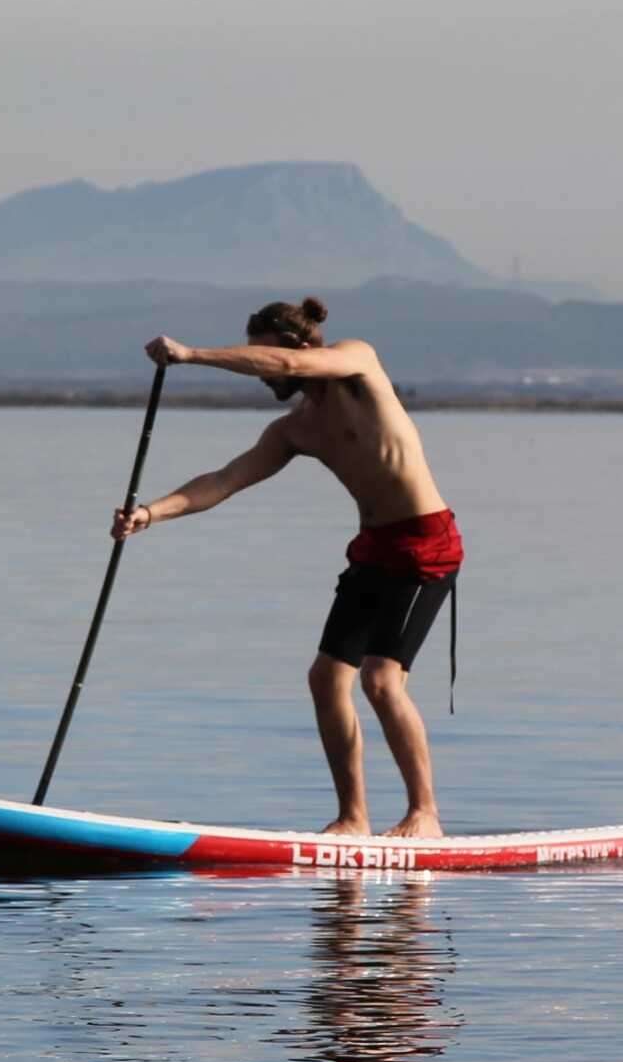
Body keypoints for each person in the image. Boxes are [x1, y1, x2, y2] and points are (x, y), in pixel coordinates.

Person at [113, 297, 461, 839]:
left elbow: (290, 367)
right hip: (373, 548)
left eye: (260, 354)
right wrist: (149, 513)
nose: (256, 369)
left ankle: (425, 814)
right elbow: (225, 480)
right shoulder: (294, 430)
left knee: (381, 680)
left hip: (425, 543)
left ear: (298, 344)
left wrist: (192, 355)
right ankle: (353, 819)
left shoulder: (357, 363)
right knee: (326, 680)